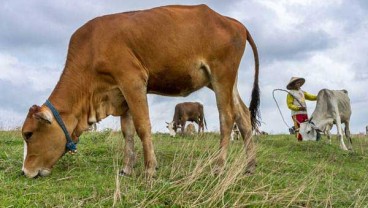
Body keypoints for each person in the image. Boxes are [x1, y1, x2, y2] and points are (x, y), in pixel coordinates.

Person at [286, 77, 317, 141]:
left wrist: (318, 97)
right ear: (293, 84)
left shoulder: (302, 92)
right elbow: (289, 105)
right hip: (296, 113)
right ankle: (299, 142)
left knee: (306, 127)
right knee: (299, 128)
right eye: (297, 83)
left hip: (304, 113)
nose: (299, 84)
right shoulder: (291, 93)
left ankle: (305, 141)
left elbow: (310, 96)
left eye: (299, 83)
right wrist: (298, 108)